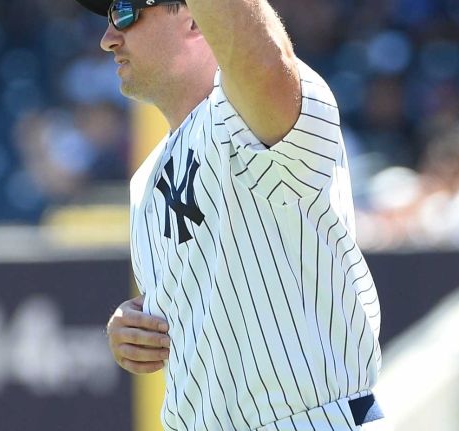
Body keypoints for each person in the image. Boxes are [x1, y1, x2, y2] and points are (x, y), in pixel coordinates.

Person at [75, 0, 384, 429]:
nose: (109, 39)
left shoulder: (252, 108)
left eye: (126, 12)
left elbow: (260, 57)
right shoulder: (145, 179)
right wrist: (135, 326)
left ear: (195, 18)